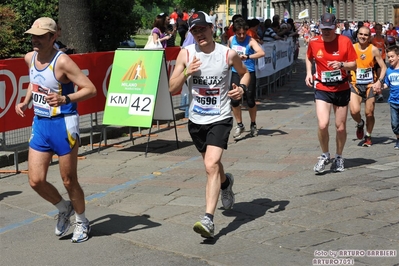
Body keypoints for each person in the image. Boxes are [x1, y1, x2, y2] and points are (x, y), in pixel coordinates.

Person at [15, 17, 97, 242]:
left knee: (69, 180)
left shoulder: (63, 62)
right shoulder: (29, 57)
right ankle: (64, 208)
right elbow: (35, 82)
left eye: (41, 36)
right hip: (41, 124)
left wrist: (65, 98)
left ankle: (82, 221)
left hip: (63, 124)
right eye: (33, 35)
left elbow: (91, 89)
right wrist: (25, 101)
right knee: (35, 180)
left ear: (53, 37)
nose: (36, 40)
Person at [169, 11, 250, 238]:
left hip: (221, 117)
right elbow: (171, 87)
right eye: (194, 30)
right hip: (196, 120)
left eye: (202, 29)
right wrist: (186, 72)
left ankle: (208, 220)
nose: (199, 34)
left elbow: (245, 74)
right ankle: (226, 183)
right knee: (212, 166)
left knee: (211, 165)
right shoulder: (186, 54)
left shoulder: (227, 54)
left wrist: (241, 88)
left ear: (212, 28)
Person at [305, 13, 357, 173]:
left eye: (329, 29)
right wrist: (308, 73)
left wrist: (342, 65)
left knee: (340, 127)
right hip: (322, 87)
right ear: (319, 26)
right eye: (323, 28)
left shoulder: (345, 41)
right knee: (323, 124)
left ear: (336, 27)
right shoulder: (314, 42)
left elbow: (354, 65)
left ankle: (339, 156)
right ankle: (325, 154)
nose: (326, 32)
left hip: (341, 87)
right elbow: (309, 58)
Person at [227, 18, 265, 139]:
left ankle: (253, 124)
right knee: (234, 100)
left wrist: (248, 56)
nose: (242, 36)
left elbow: (261, 53)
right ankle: (239, 124)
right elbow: (227, 54)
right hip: (235, 72)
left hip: (249, 72)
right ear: (235, 32)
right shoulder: (231, 40)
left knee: (250, 100)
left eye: (244, 33)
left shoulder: (251, 40)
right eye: (239, 34)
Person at [349, 26, 386, 147]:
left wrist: (379, 81)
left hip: (370, 84)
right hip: (355, 84)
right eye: (361, 34)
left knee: (369, 113)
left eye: (365, 35)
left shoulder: (374, 49)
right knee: (354, 111)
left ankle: (368, 135)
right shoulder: (352, 48)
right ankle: (360, 123)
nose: (363, 37)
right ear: (357, 34)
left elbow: (383, 67)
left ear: (369, 37)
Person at [383, 45, 399, 149]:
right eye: (388, 57)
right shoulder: (388, 70)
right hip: (393, 101)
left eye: (392, 56)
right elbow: (386, 84)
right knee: (394, 124)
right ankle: (398, 138)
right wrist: (380, 87)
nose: (390, 59)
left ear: (398, 56)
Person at [371, 23, 389, 102]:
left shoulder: (383, 38)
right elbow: (370, 47)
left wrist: (386, 50)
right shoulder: (372, 38)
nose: (378, 30)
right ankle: (376, 90)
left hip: (382, 58)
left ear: (381, 30)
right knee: (375, 75)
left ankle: (380, 93)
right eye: (377, 29)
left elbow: (387, 44)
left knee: (379, 74)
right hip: (374, 59)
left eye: (380, 29)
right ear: (375, 30)